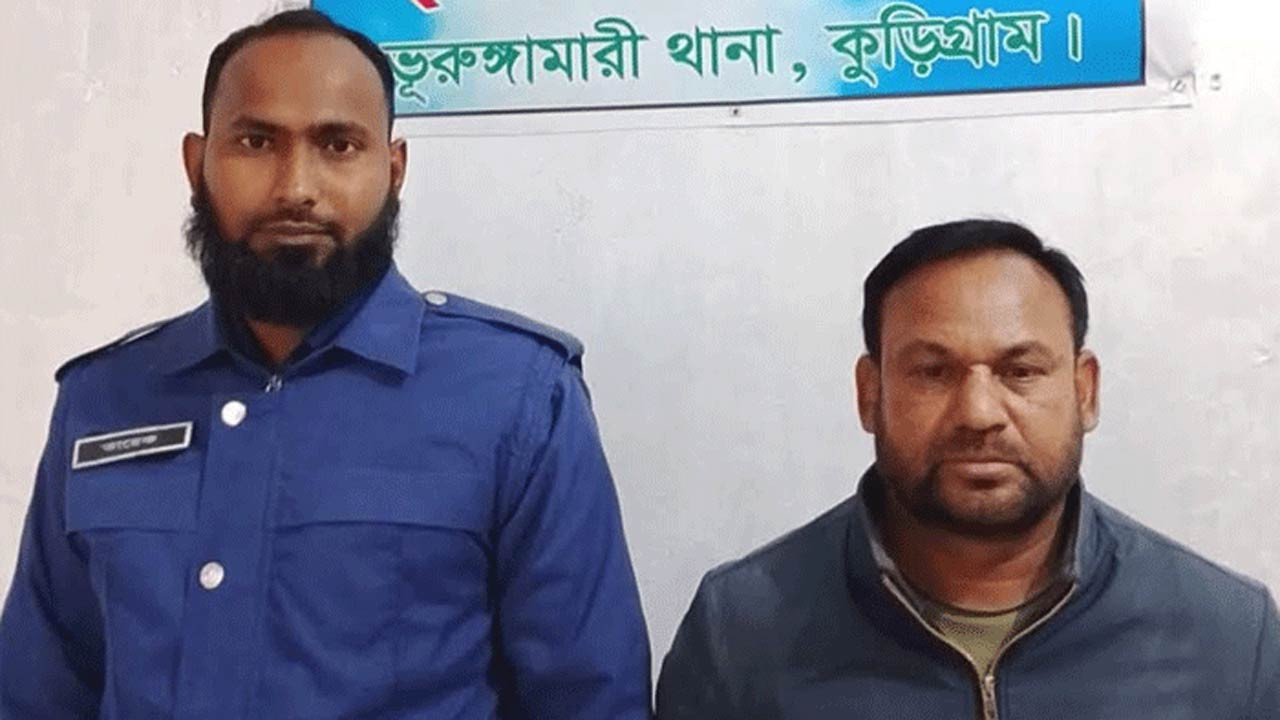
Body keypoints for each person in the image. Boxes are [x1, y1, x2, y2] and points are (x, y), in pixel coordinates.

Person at [0, 9, 650, 718]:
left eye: (338, 145)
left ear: (393, 171)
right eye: (256, 142)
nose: (295, 187)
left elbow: (592, 699)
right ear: (197, 164)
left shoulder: (516, 397)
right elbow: (36, 694)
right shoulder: (103, 398)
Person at [656, 219, 1279, 719]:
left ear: (1084, 391)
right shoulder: (742, 631)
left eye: (1020, 371)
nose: (979, 413)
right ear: (870, 394)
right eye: (934, 372)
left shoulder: (1226, 634)